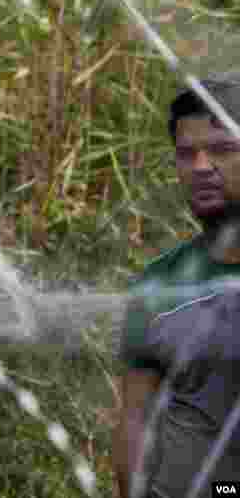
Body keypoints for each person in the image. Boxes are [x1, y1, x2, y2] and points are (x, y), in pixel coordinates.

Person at [116, 72, 240, 497]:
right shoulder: (159, 284)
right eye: (187, 154)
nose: (202, 167)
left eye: (223, 149)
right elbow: (135, 421)